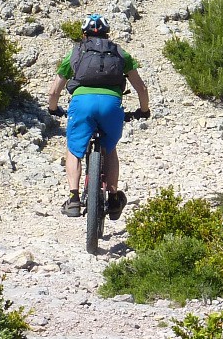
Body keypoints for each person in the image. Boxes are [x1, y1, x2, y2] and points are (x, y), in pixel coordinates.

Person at [47, 14, 150, 221]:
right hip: (111, 105)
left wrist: (53, 108)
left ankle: (74, 198)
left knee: (74, 149)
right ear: (107, 34)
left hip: (82, 103)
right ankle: (113, 198)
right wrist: (143, 110)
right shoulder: (120, 53)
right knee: (109, 148)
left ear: (84, 34)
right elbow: (141, 87)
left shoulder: (76, 52)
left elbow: (54, 91)